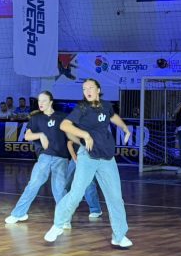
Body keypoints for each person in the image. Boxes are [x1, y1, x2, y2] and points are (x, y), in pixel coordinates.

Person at [43, 78, 132, 247]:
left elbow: (113, 117)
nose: (87, 91)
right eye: (84, 89)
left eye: (90, 87)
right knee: (75, 194)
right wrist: (85, 135)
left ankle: (119, 236)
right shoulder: (82, 108)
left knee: (115, 198)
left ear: (98, 89)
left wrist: (125, 128)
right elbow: (64, 125)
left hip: (107, 158)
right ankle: (58, 225)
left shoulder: (106, 106)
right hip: (88, 157)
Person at [4, 91, 71, 224]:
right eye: (39, 101)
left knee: (59, 189)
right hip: (44, 157)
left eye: (44, 100)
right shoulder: (36, 118)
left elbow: (71, 136)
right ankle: (19, 214)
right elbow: (27, 136)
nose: (40, 103)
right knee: (33, 185)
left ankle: (64, 220)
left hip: (61, 158)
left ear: (51, 102)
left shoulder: (62, 116)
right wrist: (40, 135)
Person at [66, 138, 103, 219]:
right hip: (75, 158)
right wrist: (75, 158)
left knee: (89, 185)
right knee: (67, 183)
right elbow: (69, 144)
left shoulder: (91, 131)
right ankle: (66, 207)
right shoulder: (75, 129)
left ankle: (95, 210)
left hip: (88, 159)